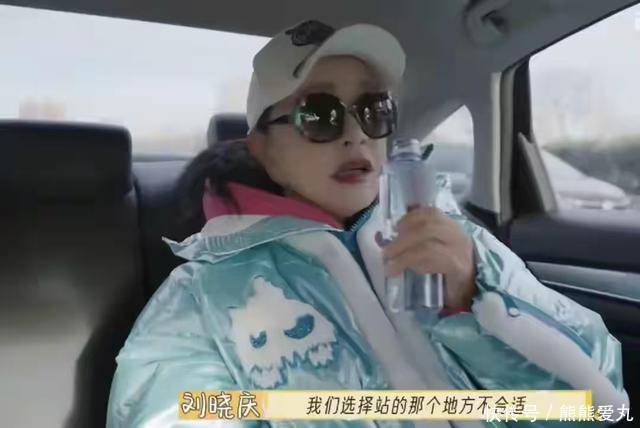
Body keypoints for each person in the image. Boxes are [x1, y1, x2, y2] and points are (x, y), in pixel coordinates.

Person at [107, 19, 629, 428]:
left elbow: (600, 404)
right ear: (263, 150)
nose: (355, 134)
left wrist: (476, 302)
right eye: (319, 115)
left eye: (373, 109)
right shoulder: (201, 296)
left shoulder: (461, 247)